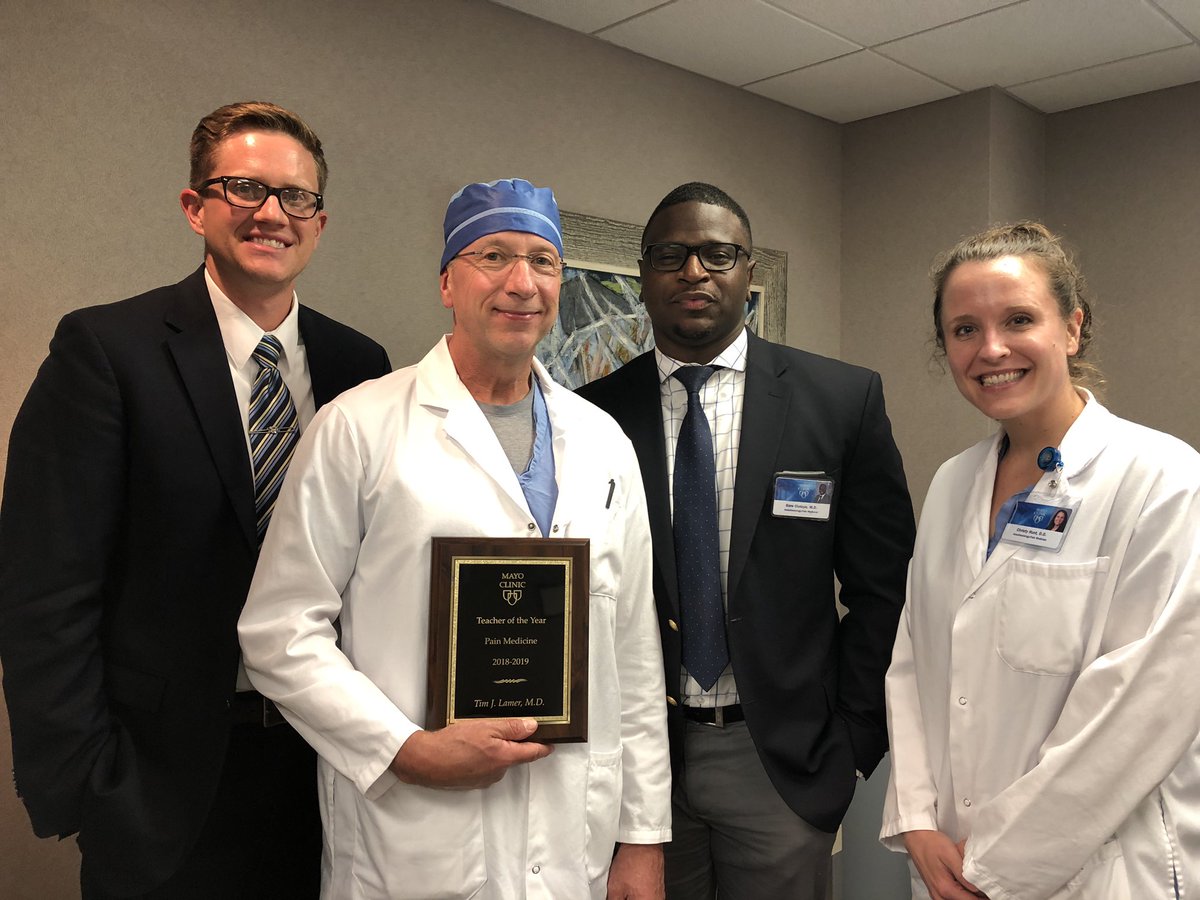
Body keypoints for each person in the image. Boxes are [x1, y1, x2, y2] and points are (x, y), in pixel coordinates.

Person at [238, 178, 671, 899]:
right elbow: (280, 631)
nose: (520, 283)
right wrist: (402, 748)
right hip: (412, 841)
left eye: (543, 261)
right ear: (446, 280)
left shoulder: (603, 444)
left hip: (573, 842)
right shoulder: (358, 428)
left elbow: (633, 652)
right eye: (492, 256)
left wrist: (643, 837)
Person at [0, 101, 391, 898]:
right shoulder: (107, 351)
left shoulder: (361, 366)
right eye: (244, 188)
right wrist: (88, 782)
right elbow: (44, 587)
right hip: (162, 784)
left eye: (296, 197)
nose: (272, 214)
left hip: (326, 772)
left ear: (321, 223)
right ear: (195, 207)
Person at [578, 182, 915, 899]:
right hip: (639, 761)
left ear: (749, 271)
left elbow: (885, 589)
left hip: (780, 762)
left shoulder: (839, 399)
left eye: (717, 254)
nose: (694, 272)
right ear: (643, 275)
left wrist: (853, 744)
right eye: (671, 255)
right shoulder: (593, 416)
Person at [881, 222, 1200, 899]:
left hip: (1097, 869)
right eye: (963, 329)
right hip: (947, 862)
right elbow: (912, 662)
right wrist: (915, 818)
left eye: (1019, 319)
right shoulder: (952, 485)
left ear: (1072, 328)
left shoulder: (1163, 480)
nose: (990, 348)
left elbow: (1143, 710)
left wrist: (996, 865)